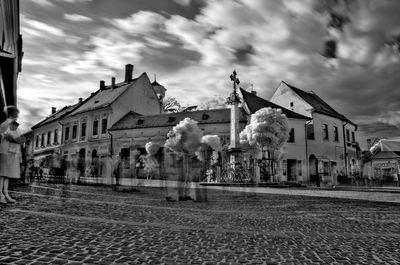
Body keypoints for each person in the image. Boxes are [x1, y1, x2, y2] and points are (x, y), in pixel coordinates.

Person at [0, 106, 25, 204]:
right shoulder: (6, 124)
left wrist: (19, 139)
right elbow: (9, 137)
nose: (18, 115)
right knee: (2, 175)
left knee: (7, 175)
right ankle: (1, 195)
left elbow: (19, 138)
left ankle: (5, 194)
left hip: (11, 152)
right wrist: (18, 139)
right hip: (5, 151)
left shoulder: (13, 125)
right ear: (12, 114)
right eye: (16, 113)